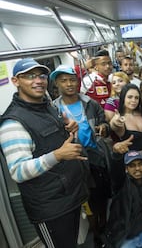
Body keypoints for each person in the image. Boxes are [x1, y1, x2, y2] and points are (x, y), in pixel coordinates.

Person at [0, 58, 88, 248]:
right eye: (30, 76)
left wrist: (68, 128)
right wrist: (58, 155)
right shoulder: (13, 124)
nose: (38, 80)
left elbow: (48, 141)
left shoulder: (47, 106)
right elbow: (18, 171)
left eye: (41, 75)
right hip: (51, 209)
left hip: (70, 196)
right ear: (16, 81)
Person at [51, 65, 111, 247]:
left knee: (99, 198)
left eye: (72, 79)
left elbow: (104, 125)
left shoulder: (90, 103)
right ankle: (95, 233)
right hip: (73, 162)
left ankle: (103, 228)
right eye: (63, 80)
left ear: (77, 82)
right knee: (85, 202)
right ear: (56, 84)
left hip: (95, 159)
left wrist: (103, 128)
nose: (69, 84)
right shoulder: (53, 109)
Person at [101, 150, 142, 248]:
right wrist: (116, 154)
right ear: (126, 169)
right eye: (132, 166)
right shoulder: (121, 184)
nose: (137, 168)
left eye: (140, 164)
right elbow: (116, 172)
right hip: (124, 237)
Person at [110, 84, 142, 161]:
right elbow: (114, 125)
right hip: (136, 162)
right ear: (123, 98)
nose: (133, 100)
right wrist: (114, 122)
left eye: (136, 98)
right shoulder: (120, 118)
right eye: (130, 97)